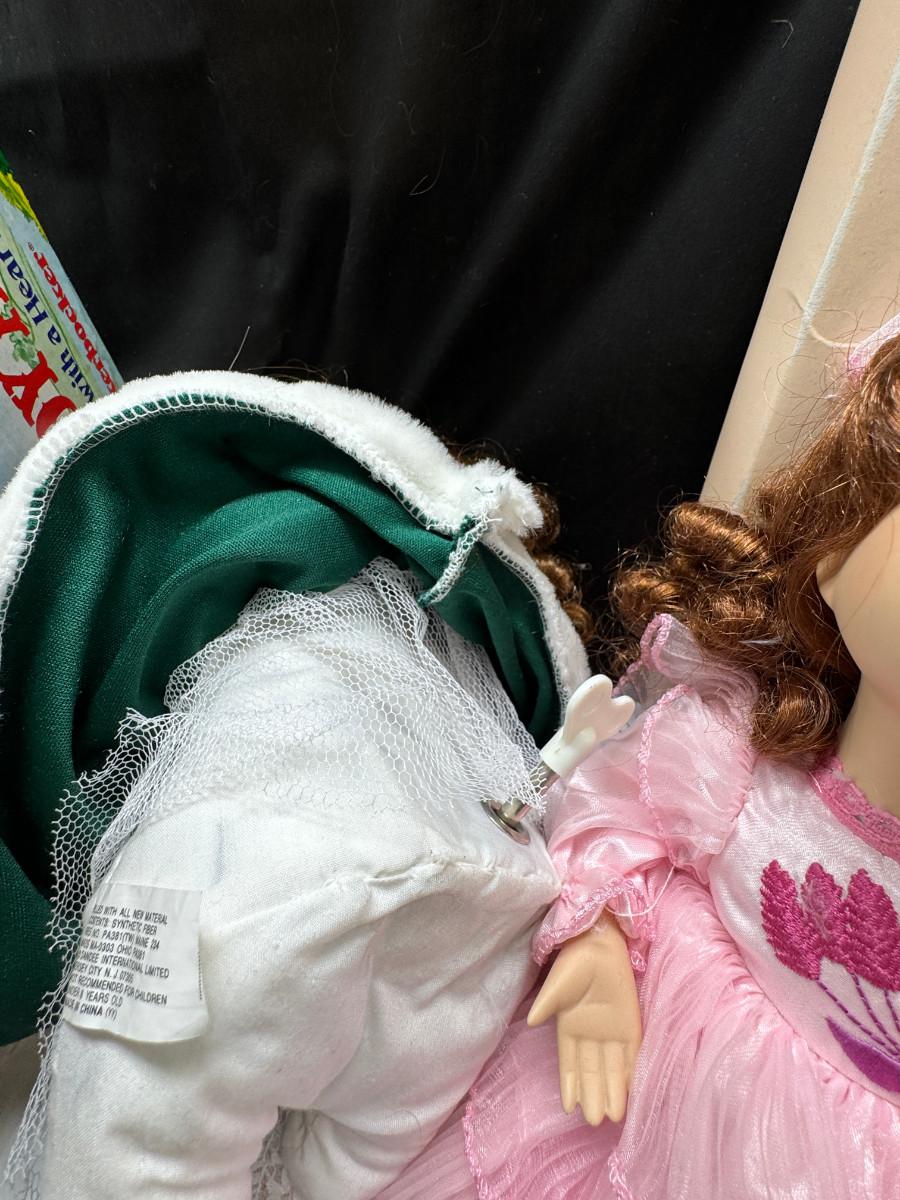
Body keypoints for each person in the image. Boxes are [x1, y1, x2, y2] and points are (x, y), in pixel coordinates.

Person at [381, 325, 900, 1200]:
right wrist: (597, 943)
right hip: (636, 1107)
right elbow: (612, 819)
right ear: (838, 551)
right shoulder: (735, 770)